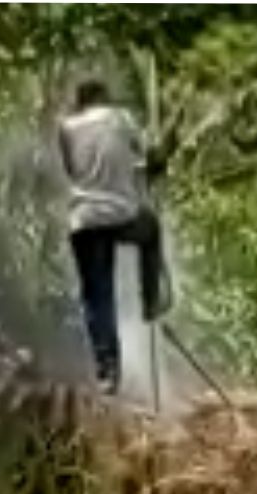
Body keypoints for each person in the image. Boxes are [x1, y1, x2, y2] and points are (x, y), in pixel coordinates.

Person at [58, 79, 170, 394]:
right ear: (104, 98)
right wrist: (155, 165)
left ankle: (108, 370)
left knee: (97, 296)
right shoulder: (121, 118)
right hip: (121, 216)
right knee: (151, 231)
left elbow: (75, 171)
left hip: (84, 220)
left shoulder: (66, 128)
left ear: (80, 102)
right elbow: (147, 156)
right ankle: (150, 301)